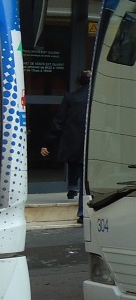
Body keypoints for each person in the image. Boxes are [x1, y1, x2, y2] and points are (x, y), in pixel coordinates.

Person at [40, 69, 90, 223]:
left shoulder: (71, 97)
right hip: (89, 141)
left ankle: (72, 188)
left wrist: (47, 143)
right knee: (84, 174)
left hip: (72, 140)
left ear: (79, 82)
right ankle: (82, 212)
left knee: (74, 162)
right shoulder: (97, 98)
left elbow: (58, 122)